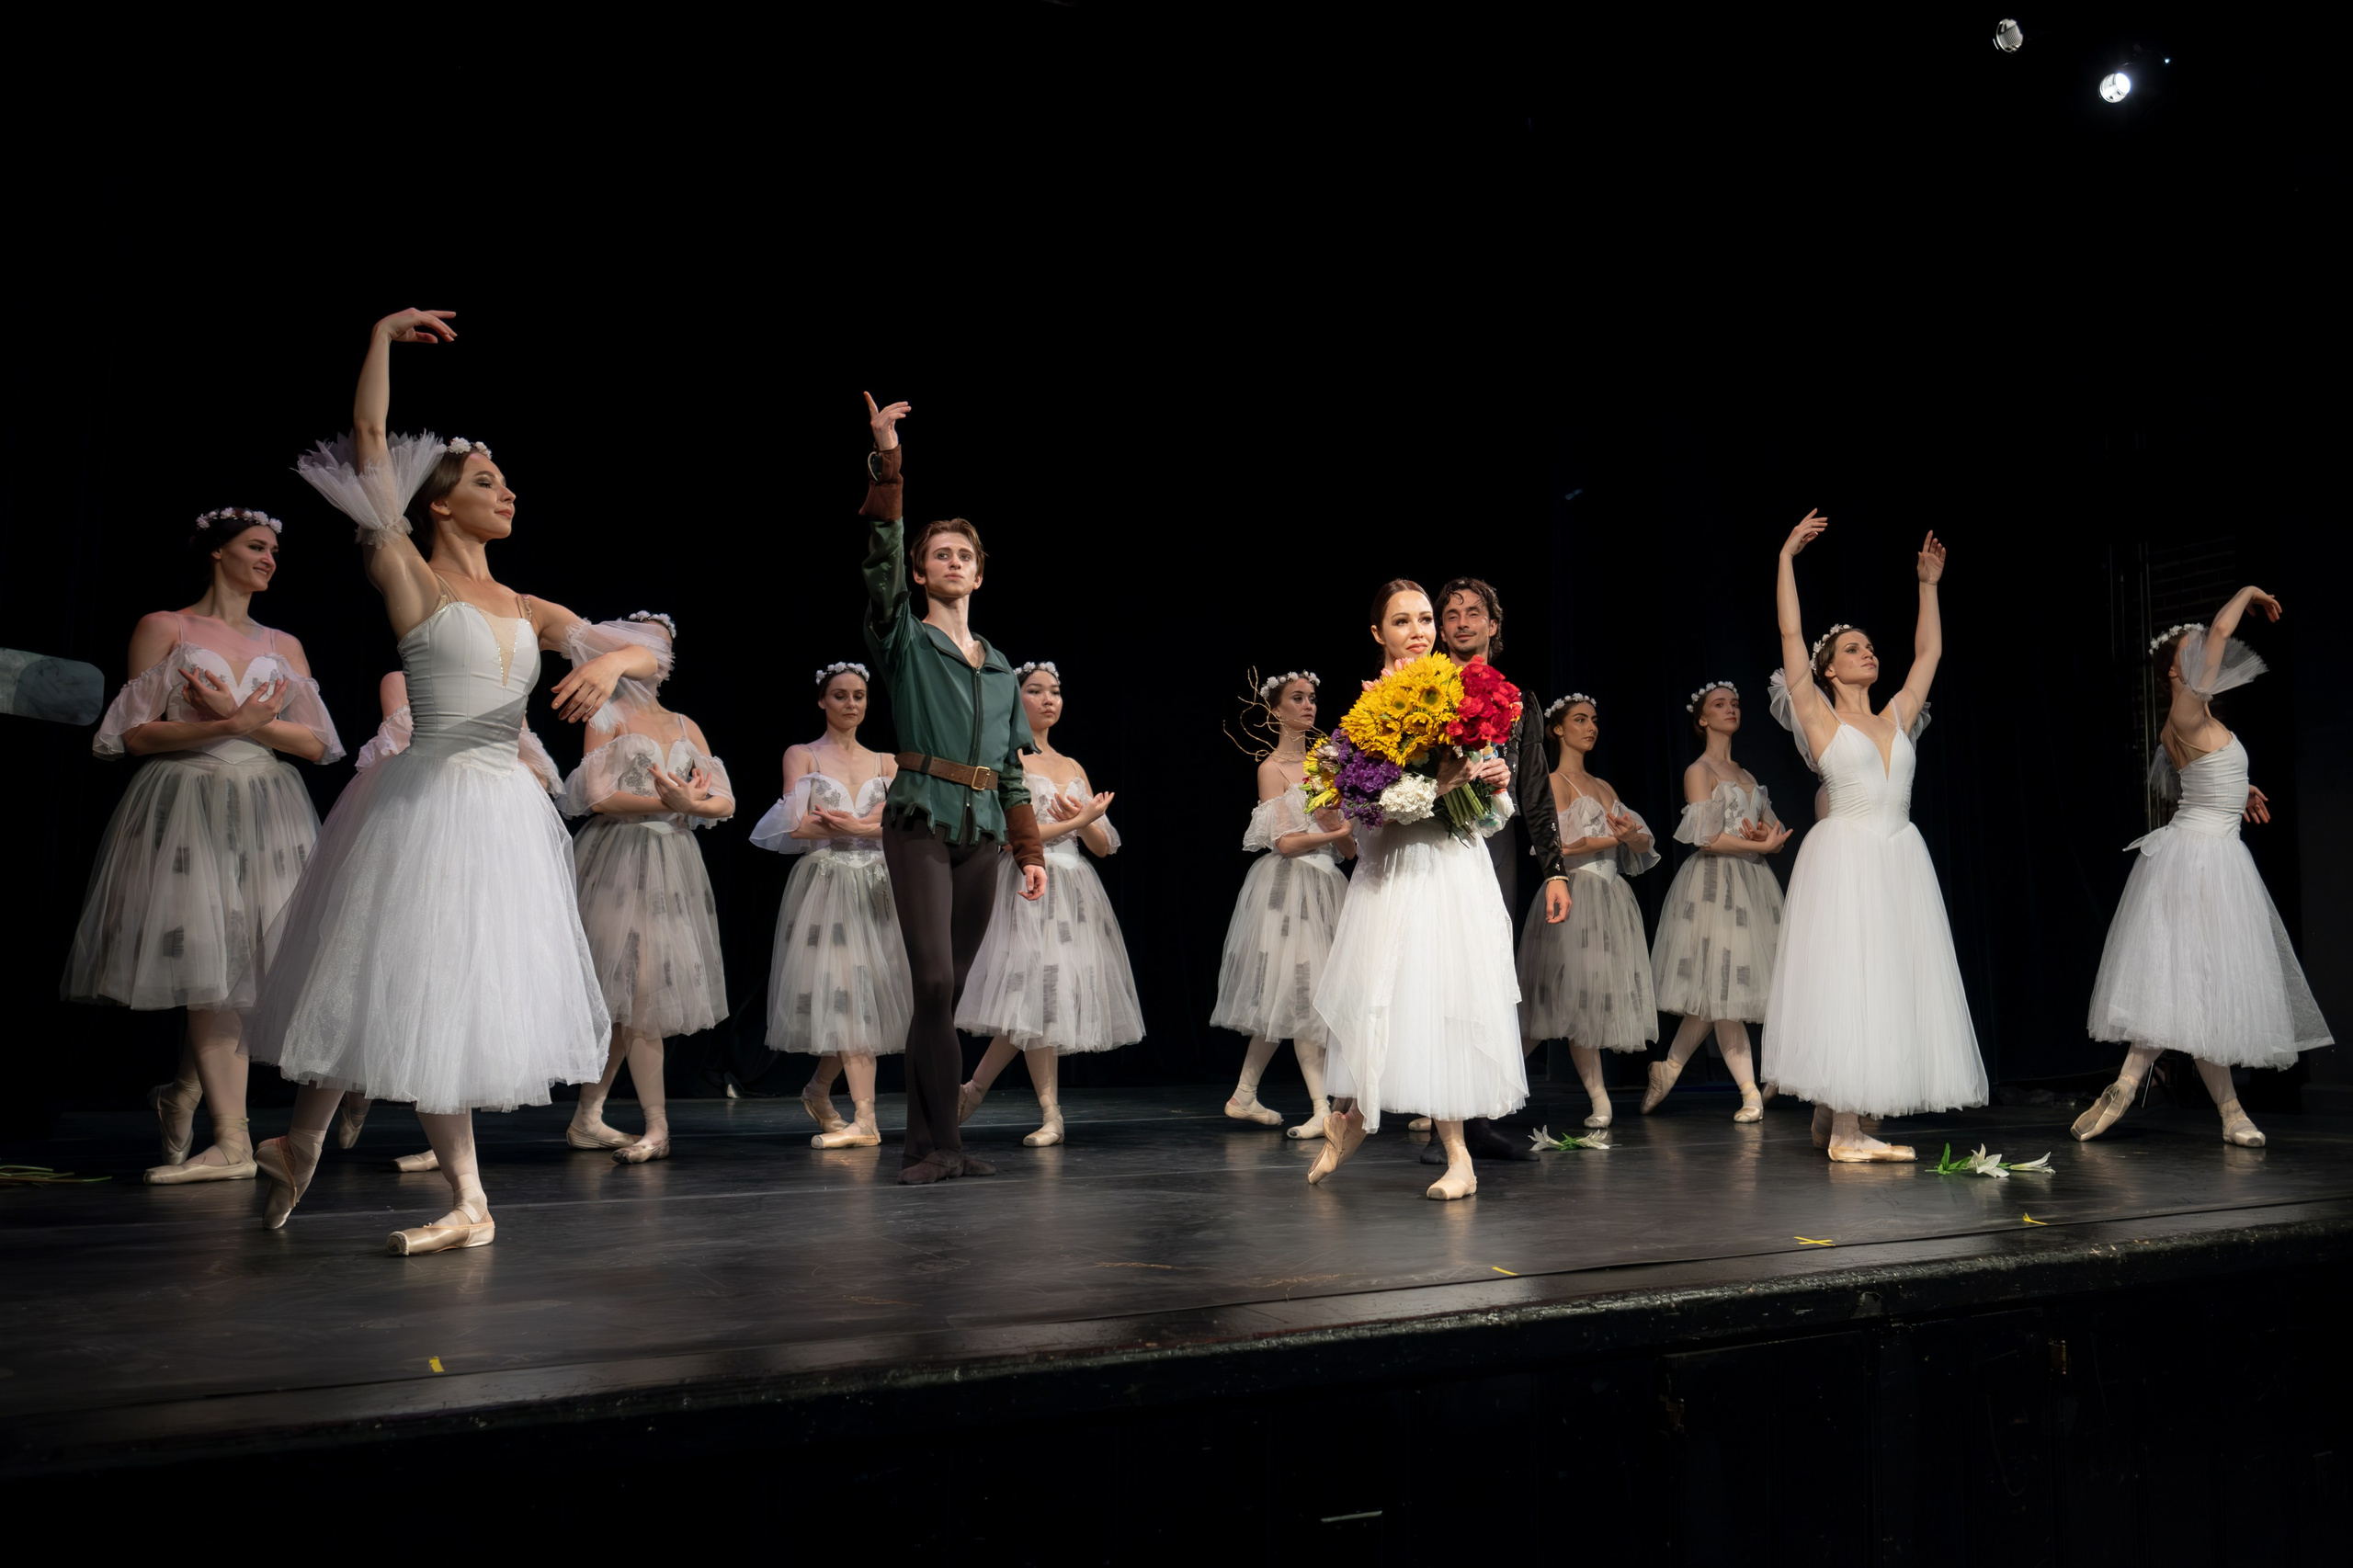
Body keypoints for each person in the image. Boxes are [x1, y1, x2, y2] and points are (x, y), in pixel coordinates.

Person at [244, 306, 661, 1252]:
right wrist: (381, 342)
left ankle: (313, 1145)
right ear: (439, 503)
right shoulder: (410, 574)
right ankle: (374, 1166)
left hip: (503, 808)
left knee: (436, 989)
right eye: (485, 480)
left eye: (505, 479)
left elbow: (649, 653)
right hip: (429, 797)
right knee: (395, 978)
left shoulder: (522, 599)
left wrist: (606, 662)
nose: (505, 491)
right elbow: (363, 445)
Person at [63, 506, 343, 1187]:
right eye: (256, 546)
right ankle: (233, 1141)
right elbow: (134, 734)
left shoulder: (285, 644)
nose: (270, 559)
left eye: (275, 550)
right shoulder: (169, 628)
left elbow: (316, 743)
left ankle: (186, 1092)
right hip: (189, 803)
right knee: (212, 967)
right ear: (216, 552)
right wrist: (229, 724)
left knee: (246, 967)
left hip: (267, 810)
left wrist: (238, 721)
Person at [857, 392, 1045, 1186]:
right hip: (920, 817)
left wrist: (1029, 847)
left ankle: (931, 1145)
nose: (953, 563)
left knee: (948, 995)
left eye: (964, 555)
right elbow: (878, 550)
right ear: (920, 570)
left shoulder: (1002, 667)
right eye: (939, 554)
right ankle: (935, 1146)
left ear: (979, 571)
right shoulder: (902, 637)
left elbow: (1009, 767)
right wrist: (889, 462)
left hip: (982, 830)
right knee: (930, 980)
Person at [1760, 511, 1986, 1162]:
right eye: (1852, 648)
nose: (1868, 653)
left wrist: (1928, 585)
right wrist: (1785, 558)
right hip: (1850, 853)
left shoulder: (1896, 716)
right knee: (1852, 976)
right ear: (1828, 670)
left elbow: (1929, 654)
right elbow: (1789, 631)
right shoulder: (1820, 717)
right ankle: (1849, 1135)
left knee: (1885, 978)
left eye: (1868, 646)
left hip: (1899, 854)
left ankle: (1836, 1113)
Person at [2075, 587, 2329, 1146]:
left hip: (2211, 851)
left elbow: (2202, 778)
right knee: (2195, 981)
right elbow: (2218, 633)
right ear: (2174, 672)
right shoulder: (2186, 707)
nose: (2207, 658)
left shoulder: (2198, 718)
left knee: (2203, 987)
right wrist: (2248, 594)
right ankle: (2168, 1094)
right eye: (2191, 655)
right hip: (2200, 860)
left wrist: (2240, 790)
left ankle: (2210, 1106)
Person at [1308, 580, 1524, 1201]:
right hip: (1394, 868)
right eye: (1403, 621)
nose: (1420, 630)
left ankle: (1459, 1157)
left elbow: (1487, 816)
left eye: (1426, 618)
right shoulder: (1365, 719)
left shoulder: (1457, 701)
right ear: (1379, 634)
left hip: (1450, 870)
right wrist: (1440, 785)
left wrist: (1492, 782)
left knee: (1443, 1001)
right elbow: (1369, 809)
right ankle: (1348, 1117)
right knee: (1376, 996)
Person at [332, 670, 563, 1170]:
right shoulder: (406, 677)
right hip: (423, 831)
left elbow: (538, 769)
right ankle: (355, 1085)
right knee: (401, 970)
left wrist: (508, 771)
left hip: (486, 841)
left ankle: (447, 1144)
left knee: (462, 981)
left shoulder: (504, 685)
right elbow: (396, 754)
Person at [560, 612, 734, 1165]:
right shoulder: (606, 713)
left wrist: (694, 805)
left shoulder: (686, 725)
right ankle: (656, 1126)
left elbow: (725, 801)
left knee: (633, 996)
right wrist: (672, 802)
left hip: (671, 864)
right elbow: (597, 796)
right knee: (633, 994)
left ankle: (589, 1116)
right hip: (617, 860)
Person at [955, 660, 1142, 1146]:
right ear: (1016, 700)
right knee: (1030, 995)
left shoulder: (1071, 766)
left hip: (1074, 891)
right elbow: (1014, 836)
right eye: (1036, 691)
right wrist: (1073, 821)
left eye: (1055, 691)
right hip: (1027, 882)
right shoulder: (1005, 758)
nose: (1048, 700)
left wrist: (1087, 819)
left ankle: (984, 1094)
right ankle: (1038, 1110)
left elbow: (1102, 846)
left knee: (1045, 998)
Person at [1427, 577, 1567, 1163]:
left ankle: (1479, 1119)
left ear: (1493, 625)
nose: (1462, 622)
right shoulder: (1423, 690)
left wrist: (1555, 869)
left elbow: (1534, 789)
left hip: (1494, 844)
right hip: (1434, 839)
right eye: (1451, 613)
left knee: (1486, 976)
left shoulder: (1519, 700)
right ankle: (1442, 1122)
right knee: (1438, 978)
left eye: (1474, 613)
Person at [750, 660, 910, 1151]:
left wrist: (857, 827)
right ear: (822, 700)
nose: (851, 704)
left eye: (859, 696)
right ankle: (866, 1119)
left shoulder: (887, 762)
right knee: (847, 992)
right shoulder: (803, 755)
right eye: (840, 695)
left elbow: (901, 826)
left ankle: (820, 1091)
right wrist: (863, 826)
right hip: (827, 883)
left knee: (865, 992)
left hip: (878, 886)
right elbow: (794, 825)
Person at [1210, 670, 1352, 1139]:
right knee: (1303, 994)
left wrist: (1346, 824)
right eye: (1297, 698)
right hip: (1289, 889)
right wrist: (1336, 830)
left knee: (1288, 996)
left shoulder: (1326, 766)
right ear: (1276, 710)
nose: (1309, 705)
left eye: (1312, 698)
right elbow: (1286, 842)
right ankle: (1320, 1108)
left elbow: (1349, 850)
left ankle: (1244, 1094)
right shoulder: (1271, 768)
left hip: (1326, 886)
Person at [1643, 680, 1792, 1125]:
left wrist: (1766, 839)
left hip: (1752, 885)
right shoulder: (1699, 770)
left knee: (1719, 994)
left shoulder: (1746, 775)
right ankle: (1750, 1090)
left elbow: (1777, 832)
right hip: (1714, 887)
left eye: (1735, 704)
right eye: (1719, 705)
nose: (1731, 709)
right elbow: (1705, 838)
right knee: (1722, 991)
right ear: (1702, 719)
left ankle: (1667, 1070)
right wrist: (1760, 847)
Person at [1517, 694, 1659, 1129]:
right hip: (1573, 894)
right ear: (1558, 729)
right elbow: (1556, 845)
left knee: (1585, 1003)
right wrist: (1614, 838)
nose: (1591, 727)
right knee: (1546, 1010)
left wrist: (1631, 835)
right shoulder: (1554, 781)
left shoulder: (1604, 786)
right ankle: (1469, 1095)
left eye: (1594, 720)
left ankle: (1600, 1099)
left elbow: (1642, 844)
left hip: (1610, 899)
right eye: (1580, 720)